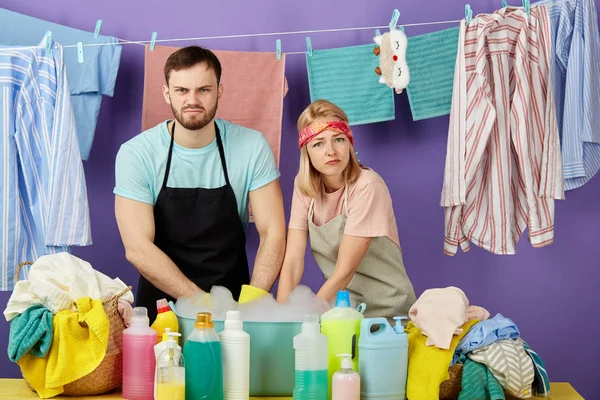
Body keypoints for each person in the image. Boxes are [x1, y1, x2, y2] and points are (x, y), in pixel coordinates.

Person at [114, 46, 286, 321]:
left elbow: (273, 233)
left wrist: (252, 305)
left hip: (232, 309)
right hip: (161, 313)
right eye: (182, 90)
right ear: (166, 92)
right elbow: (137, 248)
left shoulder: (252, 146)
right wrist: (199, 302)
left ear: (219, 91)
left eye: (203, 90)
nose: (192, 100)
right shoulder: (137, 153)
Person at [276, 100, 416, 318]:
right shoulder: (304, 187)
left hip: (387, 312)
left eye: (338, 139)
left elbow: (344, 271)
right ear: (307, 152)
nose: (331, 151)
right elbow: (293, 261)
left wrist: (309, 318)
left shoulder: (367, 185)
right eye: (318, 144)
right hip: (341, 309)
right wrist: (278, 318)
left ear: (349, 143)